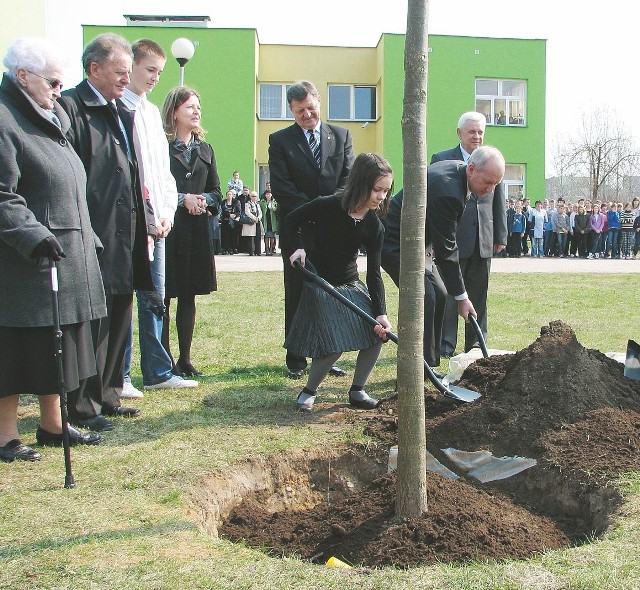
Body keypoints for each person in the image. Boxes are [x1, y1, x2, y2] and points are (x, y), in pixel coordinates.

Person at [0, 37, 106, 461]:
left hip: (66, 255)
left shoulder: (50, 116)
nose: (60, 91)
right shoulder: (6, 119)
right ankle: (6, 436)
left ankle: (52, 423)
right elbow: (3, 194)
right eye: (54, 83)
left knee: (53, 351)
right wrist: (32, 234)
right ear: (22, 77)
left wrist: (87, 235)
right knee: (16, 353)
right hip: (25, 264)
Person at [59, 33, 156, 431]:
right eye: (119, 72)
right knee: (91, 323)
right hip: (92, 234)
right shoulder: (71, 107)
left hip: (125, 232)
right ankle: (82, 404)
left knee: (120, 312)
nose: (125, 79)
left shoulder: (119, 109)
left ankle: (109, 392)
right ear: (94, 68)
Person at [381, 146, 506, 372]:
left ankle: (429, 364)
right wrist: (463, 298)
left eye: (495, 184)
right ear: (471, 169)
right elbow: (447, 250)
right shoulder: (448, 191)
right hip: (394, 242)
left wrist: (456, 294)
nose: (490, 190)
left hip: (417, 243)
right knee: (425, 296)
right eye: (487, 182)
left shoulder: (458, 174)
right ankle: (416, 370)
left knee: (439, 293)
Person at [285, 152, 393, 413]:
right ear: (360, 184)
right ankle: (309, 390)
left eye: (386, 191)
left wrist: (381, 313)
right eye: (377, 190)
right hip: (320, 283)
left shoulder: (374, 225)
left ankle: (358, 391)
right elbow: (290, 221)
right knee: (335, 340)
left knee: (376, 335)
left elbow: (374, 274)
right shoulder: (328, 205)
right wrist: (298, 248)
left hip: (349, 284)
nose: (381, 197)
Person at [120, 39, 198, 394]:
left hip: (159, 223)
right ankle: (119, 375)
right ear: (130, 65)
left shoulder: (150, 113)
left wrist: (166, 213)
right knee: (123, 300)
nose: (154, 78)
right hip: (129, 220)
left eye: (159, 72)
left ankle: (157, 372)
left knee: (155, 299)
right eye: (149, 70)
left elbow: (161, 173)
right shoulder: (118, 108)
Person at [269, 80, 355, 379]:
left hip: (333, 229)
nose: (307, 115)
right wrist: (314, 209)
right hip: (298, 228)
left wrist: (331, 209)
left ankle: (326, 353)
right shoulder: (279, 141)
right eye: (299, 111)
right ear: (291, 111)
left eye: (310, 108)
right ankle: (295, 357)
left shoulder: (341, 136)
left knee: (330, 293)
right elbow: (282, 187)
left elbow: (348, 180)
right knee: (297, 291)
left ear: (319, 101)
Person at [430, 111, 507, 358]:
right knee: (452, 293)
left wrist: (500, 235)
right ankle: (445, 344)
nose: (476, 136)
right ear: (460, 133)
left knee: (479, 295)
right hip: (452, 238)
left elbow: (498, 201)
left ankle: (475, 344)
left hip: (482, 239)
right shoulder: (442, 159)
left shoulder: (493, 161)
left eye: (480, 132)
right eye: (472, 131)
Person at [161, 86, 222, 378]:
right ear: (175, 111)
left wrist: (204, 201)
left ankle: (185, 359)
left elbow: (216, 192)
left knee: (188, 295)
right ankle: (164, 360)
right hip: (169, 229)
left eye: (198, 107)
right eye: (190, 107)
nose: (196, 112)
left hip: (196, 231)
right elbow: (152, 188)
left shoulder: (205, 149)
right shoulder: (160, 146)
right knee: (164, 296)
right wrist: (181, 199)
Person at [241, 190, 263, 256]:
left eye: (255, 196)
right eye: (253, 196)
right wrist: (255, 218)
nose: (254, 197)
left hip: (258, 222)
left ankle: (258, 251)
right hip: (251, 222)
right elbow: (247, 212)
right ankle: (251, 251)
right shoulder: (247, 204)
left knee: (258, 237)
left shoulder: (258, 204)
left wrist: (259, 218)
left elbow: (260, 212)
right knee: (250, 238)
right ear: (250, 197)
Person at [220, 189, 241, 254]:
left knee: (234, 235)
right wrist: (229, 215)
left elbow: (239, 211)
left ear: (232, 195)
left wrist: (234, 215)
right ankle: (225, 249)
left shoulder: (236, 202)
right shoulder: (223, 202)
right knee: (225, 236)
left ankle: (233, 248)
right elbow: (222, 211)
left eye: (230, 194)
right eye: (228, 194)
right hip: (225, 220)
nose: (229, 196)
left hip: (234, 221)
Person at [259, 189, 279, 256]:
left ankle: (271, 250)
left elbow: (275, 209)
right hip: (265, 220)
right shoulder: (262, 202)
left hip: (272, 220)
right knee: (266, 236)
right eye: (267, 194)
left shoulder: (274, 201)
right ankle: (267, 250)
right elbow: (260, 210)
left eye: (269, 194)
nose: (268, 195)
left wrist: (271, 205)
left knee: (272, 236)